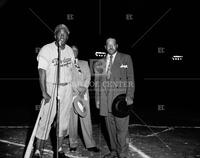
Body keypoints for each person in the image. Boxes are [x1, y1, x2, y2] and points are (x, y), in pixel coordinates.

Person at [33, 24, 75, 158]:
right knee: (46, 120)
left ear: (68, 36)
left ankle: (59, 149)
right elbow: (41, 72)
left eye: (65, 34)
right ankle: (38, 150)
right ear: (55, 35)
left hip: (67, 88)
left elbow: (72, 70)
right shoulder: (47, 49)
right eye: (59, 33)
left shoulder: (69, 50)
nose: (62, 36)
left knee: (63, 121)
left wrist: (72, 90)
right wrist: (44, 92)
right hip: (51, 87)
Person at [95, 38, 135, 158]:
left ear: (117, 45)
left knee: (121, 129)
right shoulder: (99, 63)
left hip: (120, 101)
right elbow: (96, 82)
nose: (111, 47)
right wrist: (97, 99)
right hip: (105, 100)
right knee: (110, 128)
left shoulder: (125, 58)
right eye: (108, 45)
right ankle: (113, 151)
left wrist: (130, 95)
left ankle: (122, 154)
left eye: (113, 45)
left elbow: (130, 78)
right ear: (105, 47)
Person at [69, 45, 100, 153]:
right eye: (72, 50)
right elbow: (66, 78)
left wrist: (84, 87)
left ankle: (90, 144)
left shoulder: (84, 63)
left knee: (86, 119)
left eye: (76, 50)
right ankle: (73, 144)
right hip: (71, 95)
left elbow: (88, 77)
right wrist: (75, 88)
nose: (74, 52)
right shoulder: (66, 64)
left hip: (84, 95)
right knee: (72, 122)